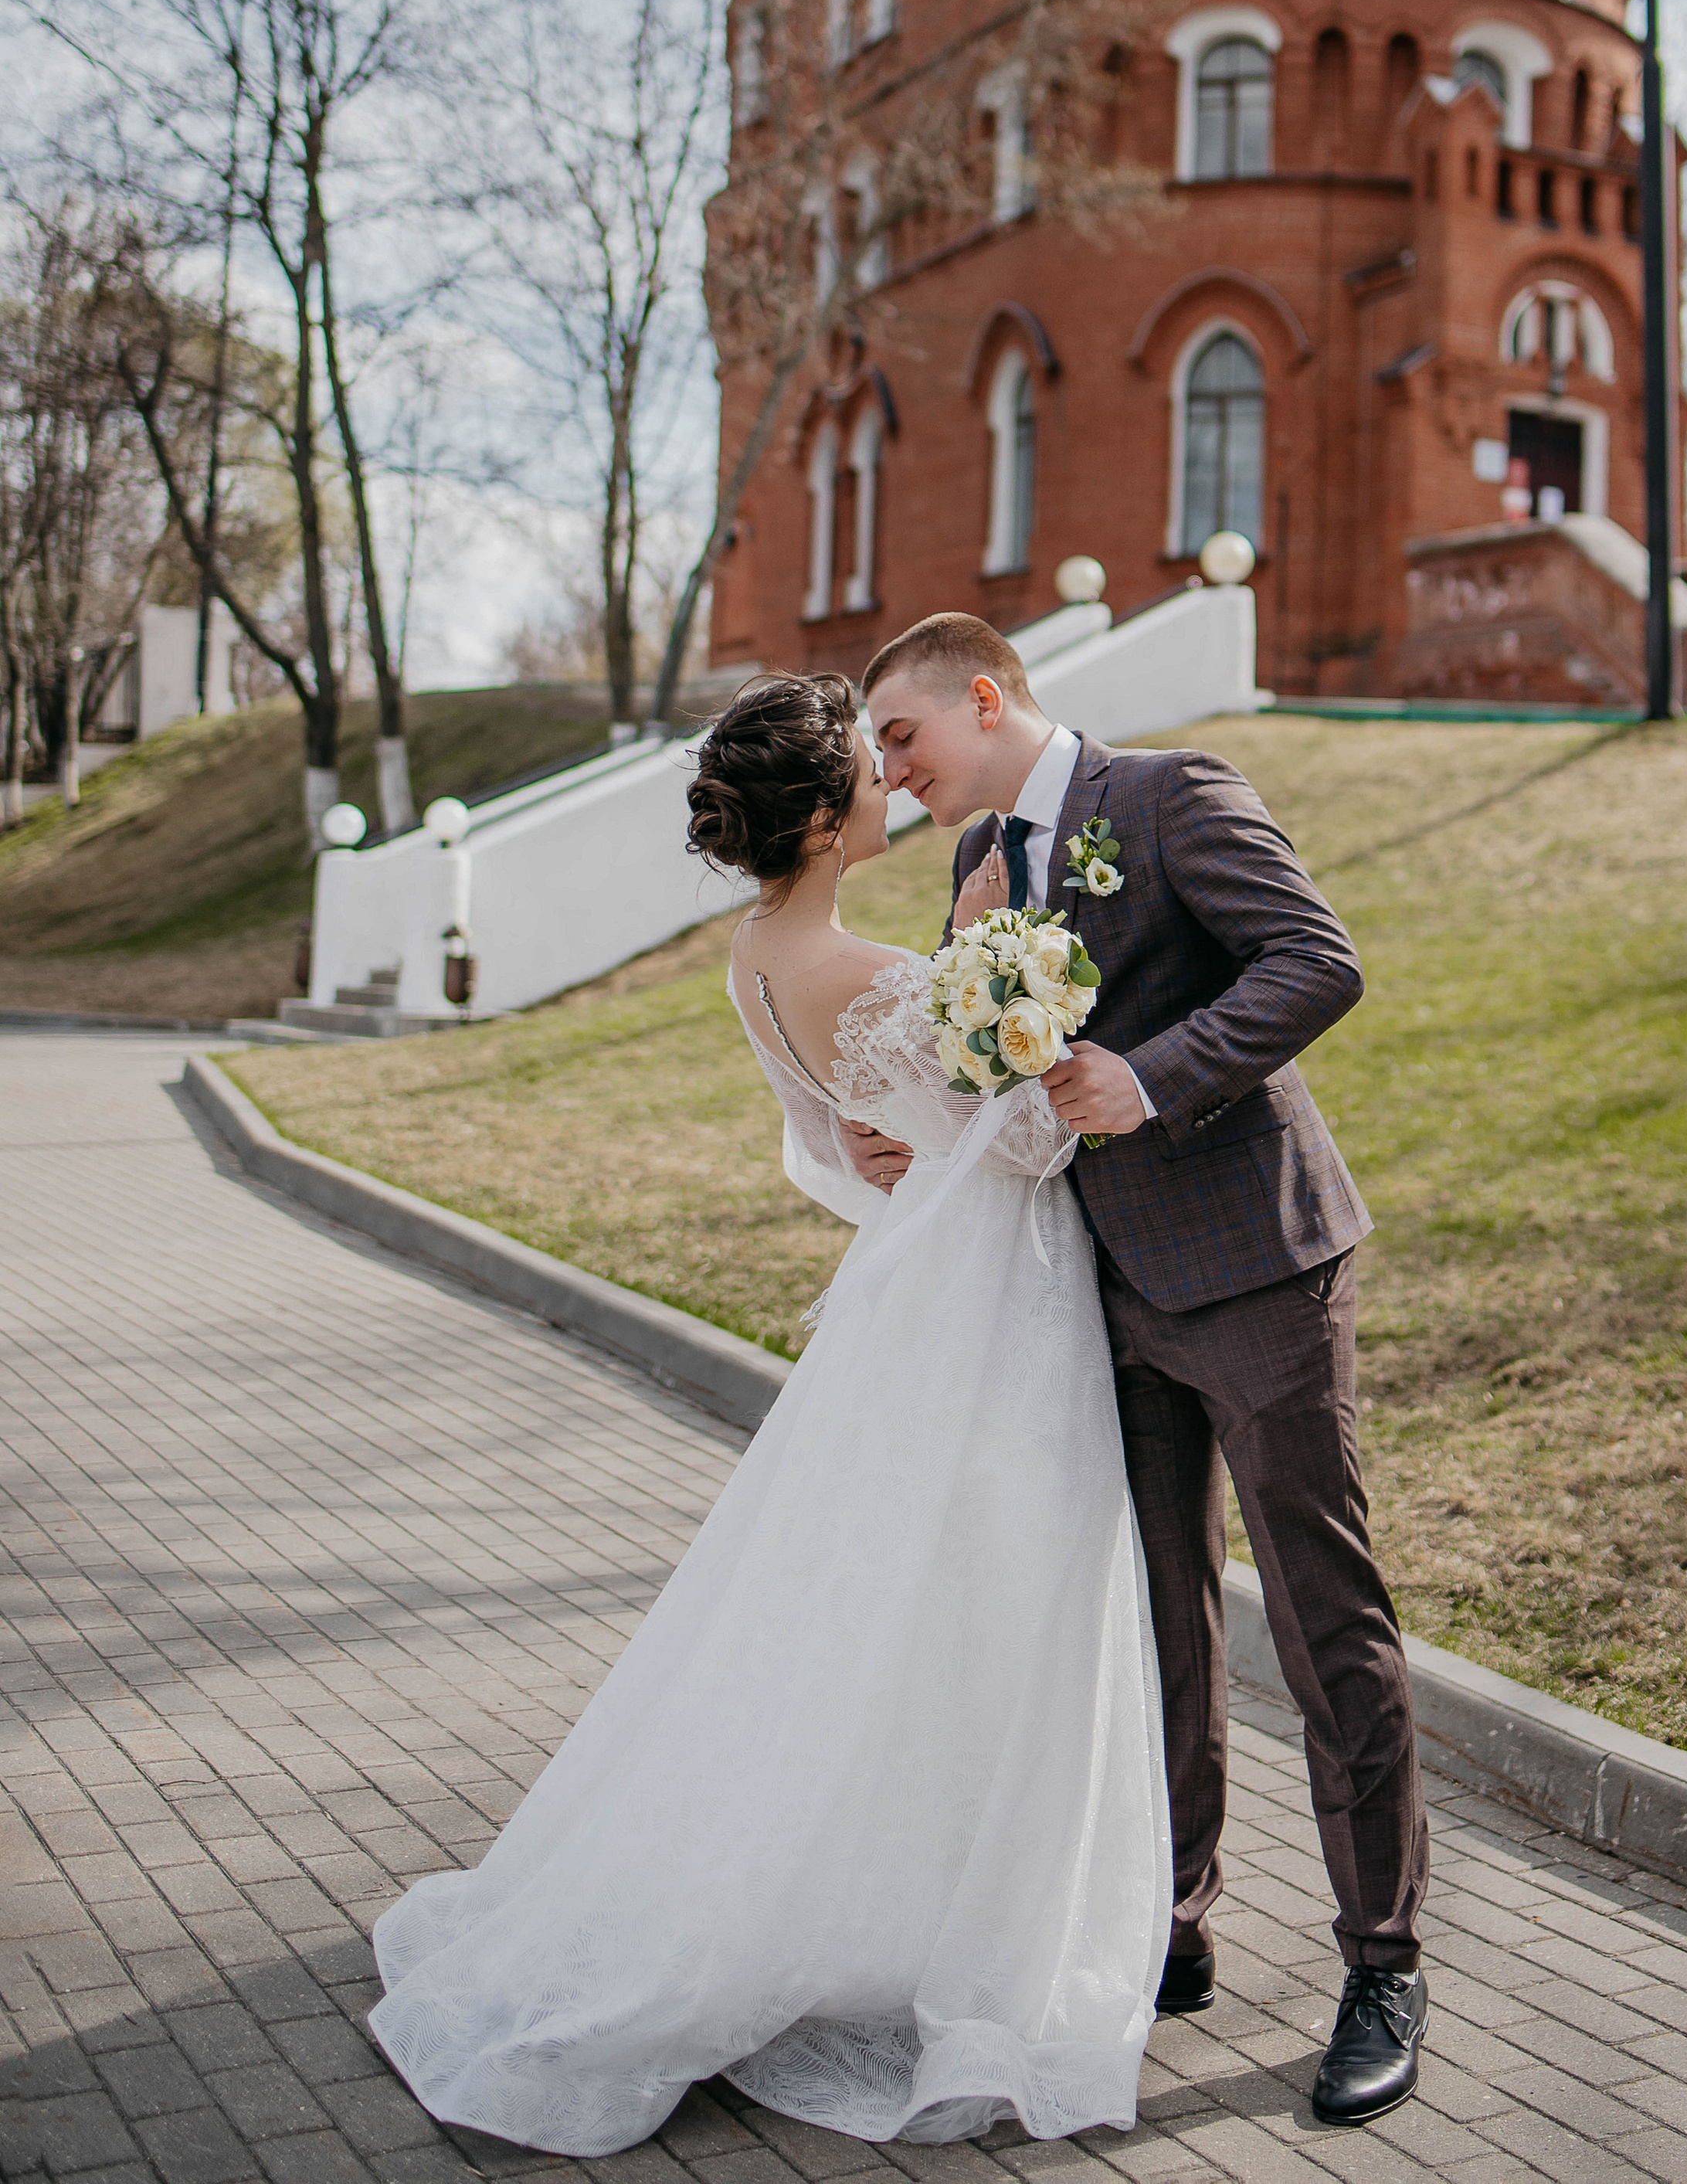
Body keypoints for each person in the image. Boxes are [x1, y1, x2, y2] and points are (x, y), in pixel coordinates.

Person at [365, 672, 1169, 2159]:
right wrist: (1002, 987)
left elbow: (834, 1149)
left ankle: (884, 1885)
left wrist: (909, 1128)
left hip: (902, 1299)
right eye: (866, 768)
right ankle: (923, 1916)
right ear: (818, 820)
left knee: (868, 1598)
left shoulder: (755, 956)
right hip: (984, 1307)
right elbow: (1024, 1151)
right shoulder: (871, 972)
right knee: (983, 1594)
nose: (886, 783)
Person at [858, 613, 1429, 2128]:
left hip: (1256, 1269)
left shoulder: (1169, 796)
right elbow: (1003, 1073)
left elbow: (1317, 962)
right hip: (1099, 1294)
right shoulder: (975, 865)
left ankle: (1382, 1961)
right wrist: (910, 1130)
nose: (890, 772)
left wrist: (1154, 1075)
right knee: (1158, 1623)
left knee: (1320, 1619)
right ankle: (1173, 1918)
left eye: (903, 737)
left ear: (985, 697)